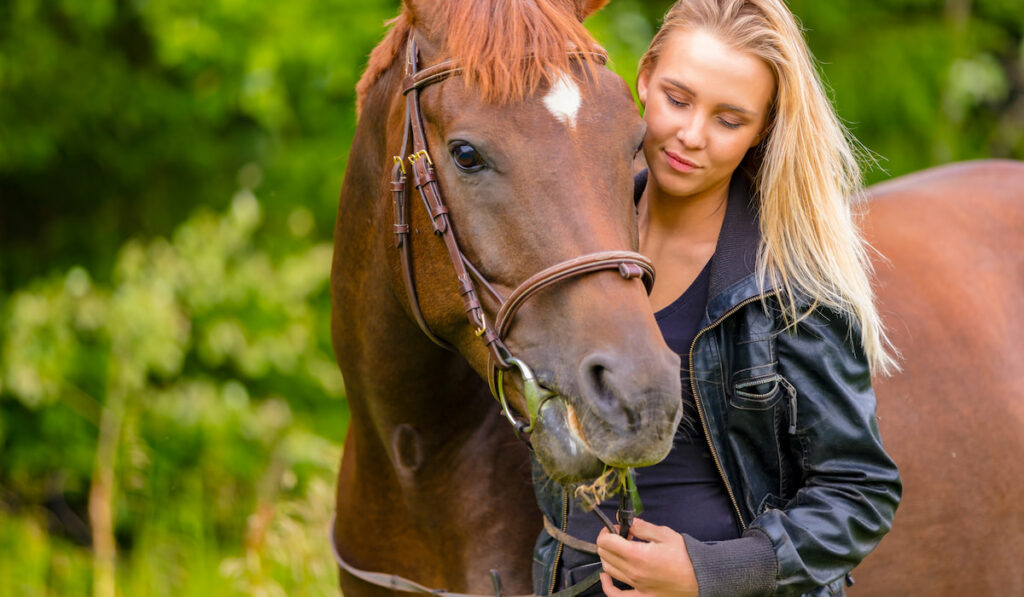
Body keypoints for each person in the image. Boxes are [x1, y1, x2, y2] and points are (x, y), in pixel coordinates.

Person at [531, 1, 902, 595]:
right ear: (645, 77)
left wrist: (710, 573)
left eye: (730, 120)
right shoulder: (577, 245)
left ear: (762, 131)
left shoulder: (789, 285)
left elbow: (860, 490)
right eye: (678, 99)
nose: (691, 135)